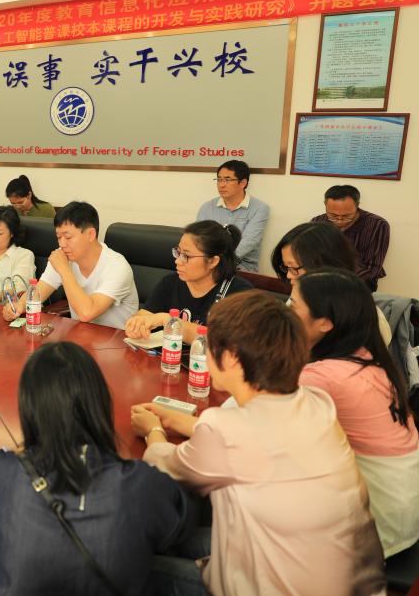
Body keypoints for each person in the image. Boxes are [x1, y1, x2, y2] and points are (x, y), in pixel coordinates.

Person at [131, 290, 385, 595]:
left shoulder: (226, 429)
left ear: (231, 358)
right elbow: (254, 441)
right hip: (345, 578)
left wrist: (152, 430)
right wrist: (179, 421)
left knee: (128, 561)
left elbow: (164, 465)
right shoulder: (317, 403)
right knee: (170, 537)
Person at [0, 342, 192, 594]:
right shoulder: (140, 482)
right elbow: (178, 527)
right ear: (100, 403)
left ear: (29, 409)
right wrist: (155, 432)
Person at [290, 268, 419, 557]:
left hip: (374, 529)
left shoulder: (323, 376)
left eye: (293, 305)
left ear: (324, 322)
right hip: (402, 514)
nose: (286, 312)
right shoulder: (367, 357)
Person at [3, 201, 137, 330]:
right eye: (58, 237)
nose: (62, 244)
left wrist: (63, 269)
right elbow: (38, 292)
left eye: (68, 237)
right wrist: (18, 306)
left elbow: (87, 313)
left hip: (117, 341)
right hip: (79, 335)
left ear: (91, 234)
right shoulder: (62, 256)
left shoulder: (117, 266)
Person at [125, 221, 252, 343]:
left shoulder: (240, 294)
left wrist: (168, 320)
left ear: (213, 261)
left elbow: (224, 343)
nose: (177, 261)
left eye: (186, 256)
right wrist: (137, 324)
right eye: (178, 252)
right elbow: (145, 314)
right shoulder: (170, 282)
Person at [271, 221, 391, 344]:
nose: (288, 275)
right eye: (286, 267)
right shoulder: (299, 297)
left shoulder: (366, 320)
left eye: (294, 267)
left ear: (325, 265)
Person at [310, 185, 390, 291]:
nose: (339, 220)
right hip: (320, 280)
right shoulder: (317, 222)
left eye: (346, 216)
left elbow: (372, 269)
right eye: (333, 215)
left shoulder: (377, 225)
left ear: (357, 205)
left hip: (359, 283)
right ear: (325, 204)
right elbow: (309, 257)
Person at [195, 160, 269, 272]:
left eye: (228, 180)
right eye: (219, 179)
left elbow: (249, 242)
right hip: (209, 263)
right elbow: (198, 238)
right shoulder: (207, 207)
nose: (221, 185)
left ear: (243, 183)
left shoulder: (259, 208)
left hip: (242, 266)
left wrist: (219, 262)